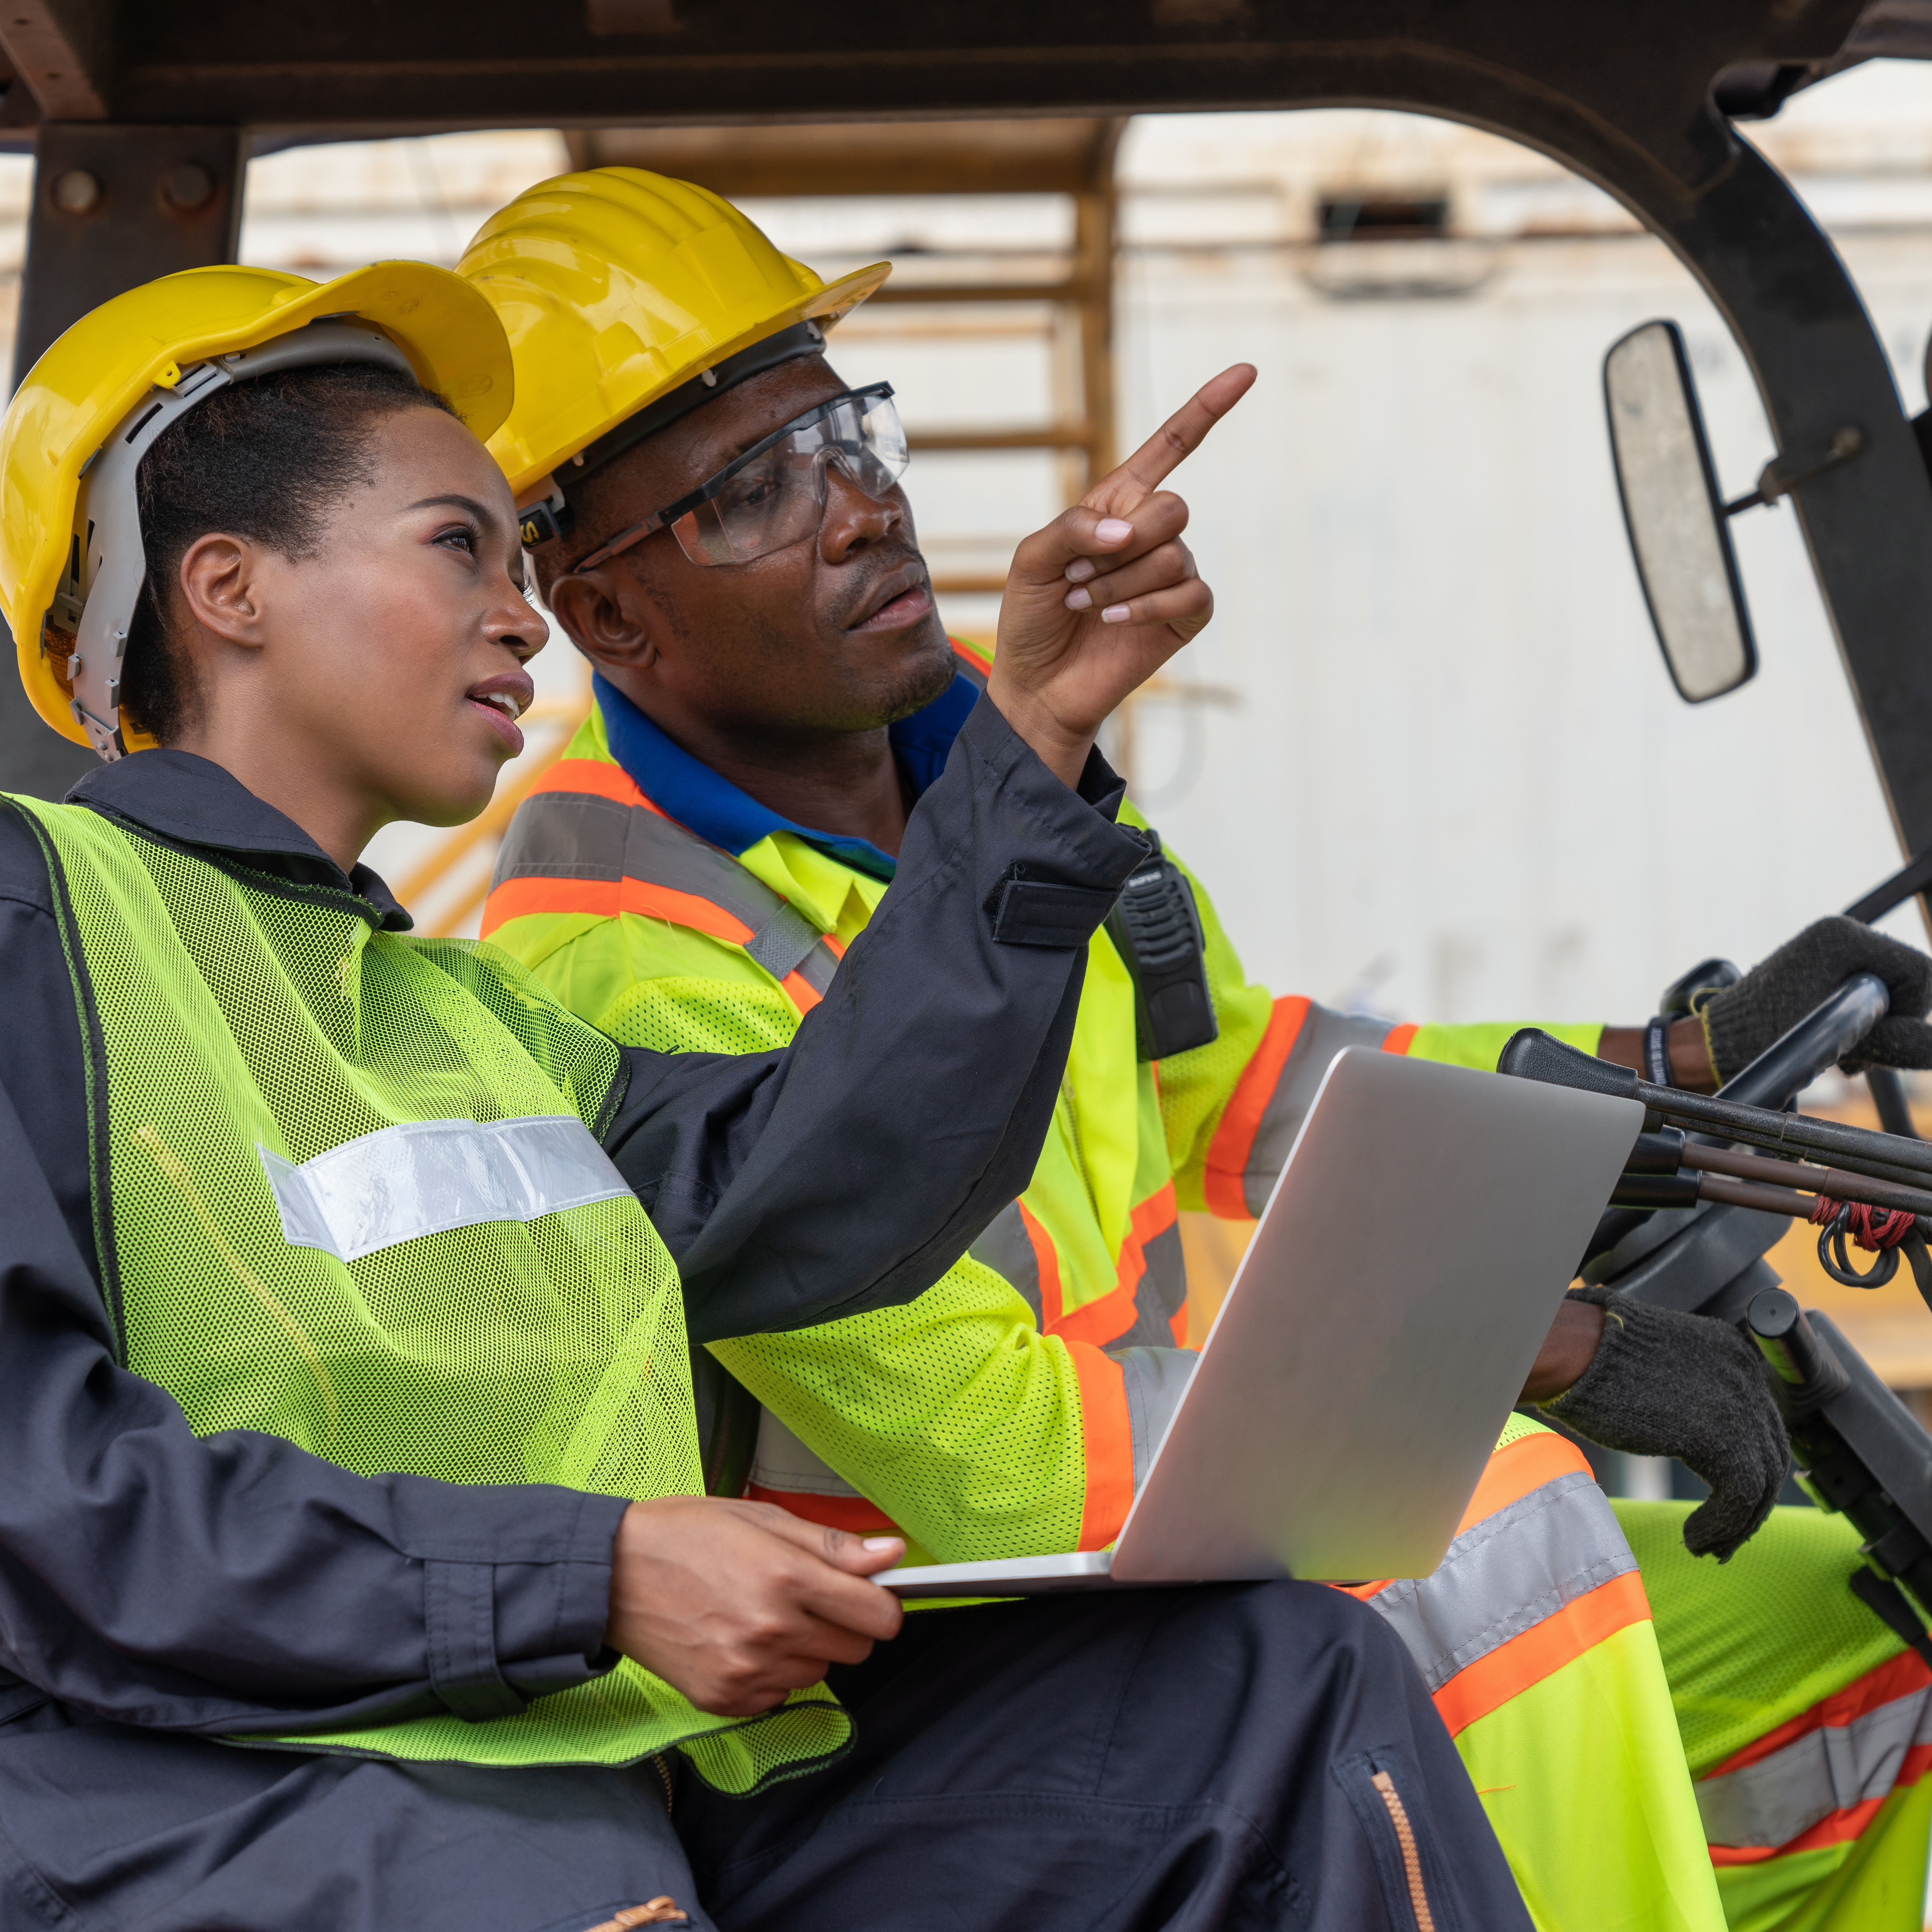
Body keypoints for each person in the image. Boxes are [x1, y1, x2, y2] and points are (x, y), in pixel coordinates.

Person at [467, 166, 1932, 1932]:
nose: (860, 509)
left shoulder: (984, 756)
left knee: (1860, 1645)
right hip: (916, 1676)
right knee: (1510, 1537)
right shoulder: (623, 953)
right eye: (754, 491)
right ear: (607, 616)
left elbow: (1236, 1081)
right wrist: (1517, 1348)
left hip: (1159, 1558)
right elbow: (991, 1455)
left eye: (850, 431)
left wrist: (1671, 1063)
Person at [0, 258, 1538, 1932]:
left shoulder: (474, 1020)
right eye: (459, 548)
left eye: (519, 563)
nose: (524, 618)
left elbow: (829, 1185)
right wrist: (595, 1577)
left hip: (619, 1766)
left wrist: (1029, 738)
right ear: (229, 586)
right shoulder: (37, 918)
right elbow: (49, 1504)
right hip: (262, 1801)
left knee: (1278, 1687)